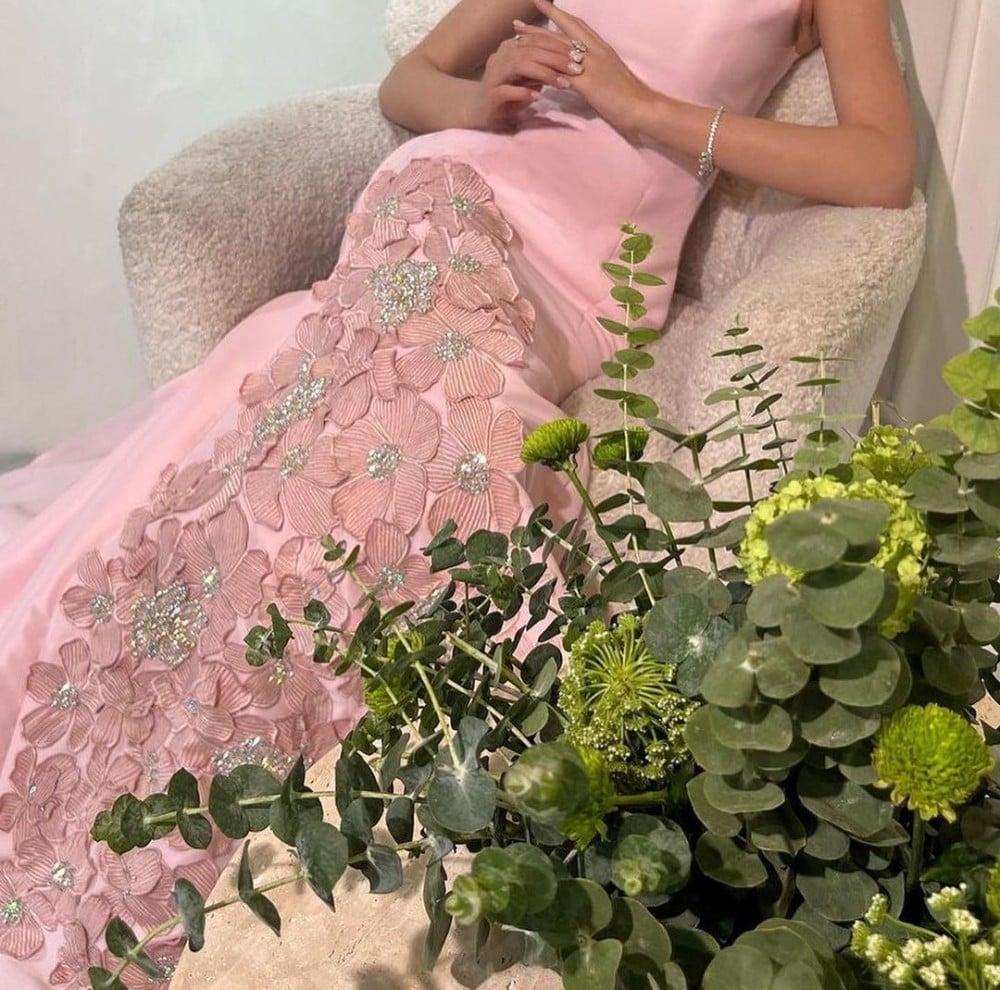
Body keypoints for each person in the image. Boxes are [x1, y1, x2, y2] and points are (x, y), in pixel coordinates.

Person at [0, 0, 915, 983]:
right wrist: (478, 100)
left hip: (580, 271)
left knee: (427, 478)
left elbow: (880, 164)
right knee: (323, 486)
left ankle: (246, 818)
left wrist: (642, 108)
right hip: (443, 203)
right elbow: (410, 84)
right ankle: (128, 798)